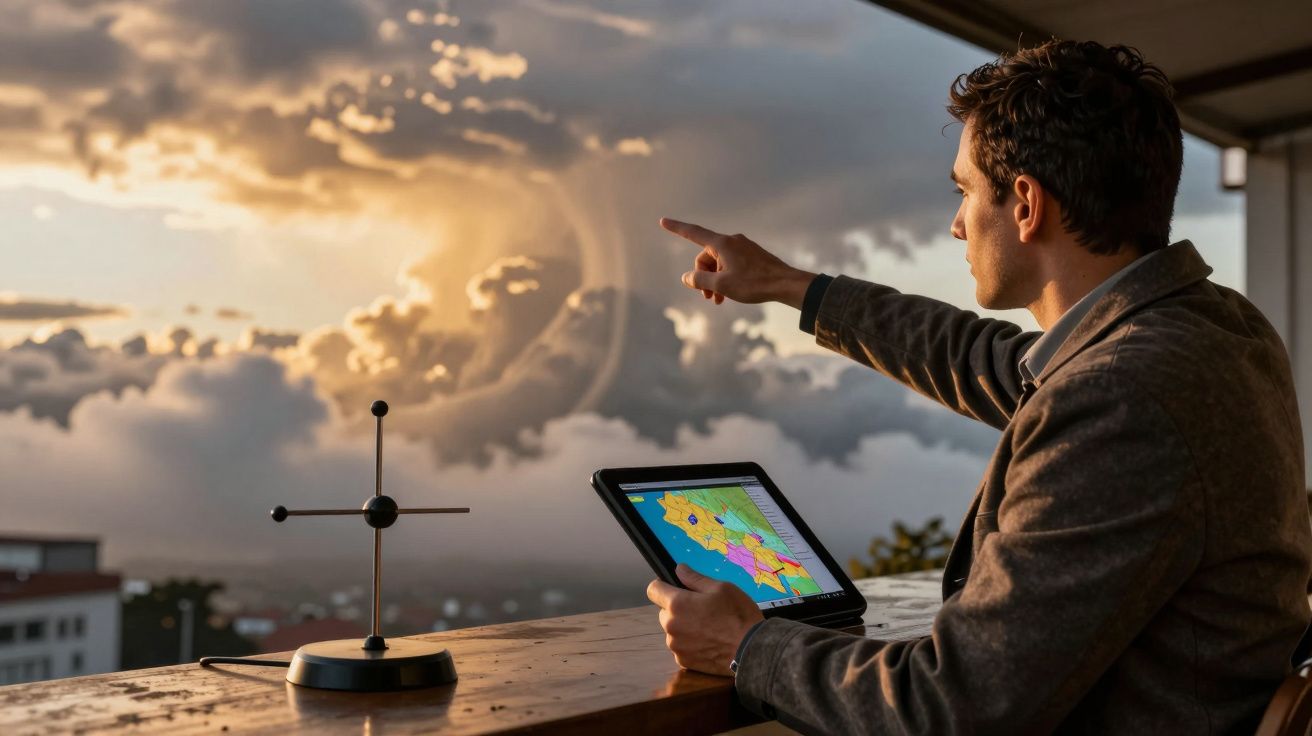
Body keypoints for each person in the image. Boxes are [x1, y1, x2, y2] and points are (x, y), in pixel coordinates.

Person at [647, 39, 1312, 734]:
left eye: (965, 191)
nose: (957, 224)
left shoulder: (1122, 395)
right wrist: (793, 287)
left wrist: (745, 648)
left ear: (1025, 204)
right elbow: (984, 359)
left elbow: (956, 709)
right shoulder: (1215, 330)